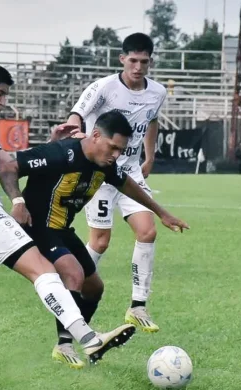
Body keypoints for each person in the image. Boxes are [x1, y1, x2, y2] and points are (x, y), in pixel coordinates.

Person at [0, 61, 136, 374]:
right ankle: (87, 338)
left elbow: (9, 162)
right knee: (43, 269)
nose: (2, 101)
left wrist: (53, 144)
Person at [0, 110, 189, 369]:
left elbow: (127, 184)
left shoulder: (105, 164)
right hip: (37, 226)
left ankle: (77, 342)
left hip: (61, 229)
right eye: (113, 147)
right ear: (96, 135)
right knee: (73, 274)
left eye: (121, 150)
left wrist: (162, 213)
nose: (116, 155)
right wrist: (18, 202)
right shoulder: (61, 154)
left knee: (94, 288)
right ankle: (65, 345)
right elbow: (10, 165)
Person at [62, 33, 167, 332]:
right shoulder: (104, 87)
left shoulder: (157, 92)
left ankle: (138, 305)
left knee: (147, 231)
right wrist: (77, 135)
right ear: (122, 59)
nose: (138, 67)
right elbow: (76, 115)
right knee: (100, 242)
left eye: (144, 62)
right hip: (100, 173)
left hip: (130, 172)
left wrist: (150, 155)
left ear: (150, 61)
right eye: (132, 61)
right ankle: (71, 288)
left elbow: (152, 120)